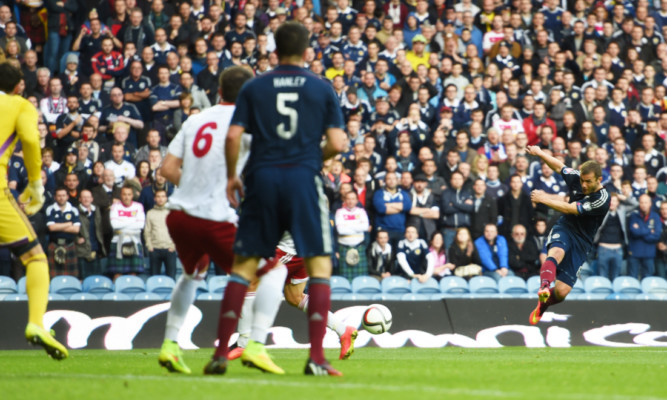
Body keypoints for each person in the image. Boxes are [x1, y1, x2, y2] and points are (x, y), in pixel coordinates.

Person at [221, 23, 347, 377]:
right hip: (303, 183)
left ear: (273, 49)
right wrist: (311, 158)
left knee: (245, 268)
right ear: (308, 50)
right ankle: (318, 359)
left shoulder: (255, 86)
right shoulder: (321, 88)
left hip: (263, 182)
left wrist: (233, 175)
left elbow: (233, 136)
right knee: (319, 269)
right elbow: (337, 143)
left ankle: (230, 347)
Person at [157, 66, 258, 376]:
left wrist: (194, 187)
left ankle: (170, 345)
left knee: (192, 273)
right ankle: (252, 345)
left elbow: (167, 168)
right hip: (214, 217)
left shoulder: (195, 119)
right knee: (254, 275)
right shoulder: (248, 124)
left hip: (178, 215)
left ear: (218, 92)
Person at [0, 63, 68, 359]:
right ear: (19, 86)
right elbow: (29, 139)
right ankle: (36, 324)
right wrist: (36, 184)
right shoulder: (20, 105)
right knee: (35, 257)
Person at [526, 145, 610, 325]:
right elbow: (559, 167)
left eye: (588, 181)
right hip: (565, 228)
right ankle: (544, 286)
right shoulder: (579, 179)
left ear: (599, 179)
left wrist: (544, 199)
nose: (584, 185)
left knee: (562, 292)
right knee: (555, 253)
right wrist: (540, 153)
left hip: (582, 242)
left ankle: (543, 305)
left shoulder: (602, 199)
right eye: (582, 180)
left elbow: (572, 208)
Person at [107, 183, 146, 279]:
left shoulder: (138, 206)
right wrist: (133, 220)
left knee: (133, 273)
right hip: (117, 242)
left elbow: (140, 225)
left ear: (132, 195)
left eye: (129, 194)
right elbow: (114, 225)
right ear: (121, 195)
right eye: (124, 194)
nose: (126, 197)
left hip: (134, 242)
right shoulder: (115, 206)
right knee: (117, 274)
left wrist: (122, 221)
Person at [334, 191, 370, 281]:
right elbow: (340, 230)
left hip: (359, 247)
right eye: (348, 199)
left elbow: (365, 227)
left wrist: (347, 225)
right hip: (344, 248)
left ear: (357, 200)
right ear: (345, 200)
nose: (350, 201)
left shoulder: (361, 211)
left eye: (353, 199)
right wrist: (357, 225)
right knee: (345, 278)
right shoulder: (340, 212)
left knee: (360, 279)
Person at [627, 194, 662, 279]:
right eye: (641, 202)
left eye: (646, 202)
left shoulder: (656, 216)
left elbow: (656, 236)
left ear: (650, 203)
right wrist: (649, 231)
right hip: (634, 252)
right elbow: (634, 232)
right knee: (632, 279)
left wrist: (640, 231)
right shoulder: (633, 216)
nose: (643, 205)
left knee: (647, 279)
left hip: (649, 253)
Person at [144, 189, 176, 278]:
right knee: (154, 278)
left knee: (171, 278)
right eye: (158, 196)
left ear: (166, 198)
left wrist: (173, 245)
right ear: (154, 199)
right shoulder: (150, 213)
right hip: (155, 249)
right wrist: (150, 246)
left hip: (169, 249)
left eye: (163, 196)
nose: (160, 199)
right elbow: (147, 231)